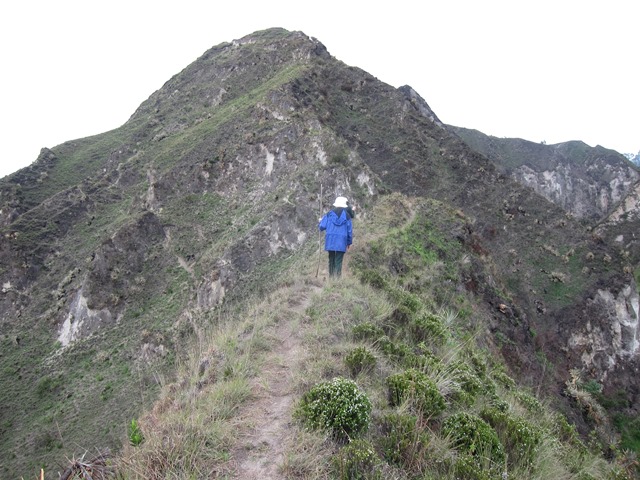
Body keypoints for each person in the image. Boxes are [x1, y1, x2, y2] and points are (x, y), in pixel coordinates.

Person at [318, 196, 354, 278]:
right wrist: (349, 242)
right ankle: (337, 279)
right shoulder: (347, 216)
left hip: (330, 239)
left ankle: (331, 278)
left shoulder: (329, 214)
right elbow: (349, 231)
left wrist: (320, 221)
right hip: (342, 240)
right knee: (338, 260)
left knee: (331, 259)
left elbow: (322, 227)